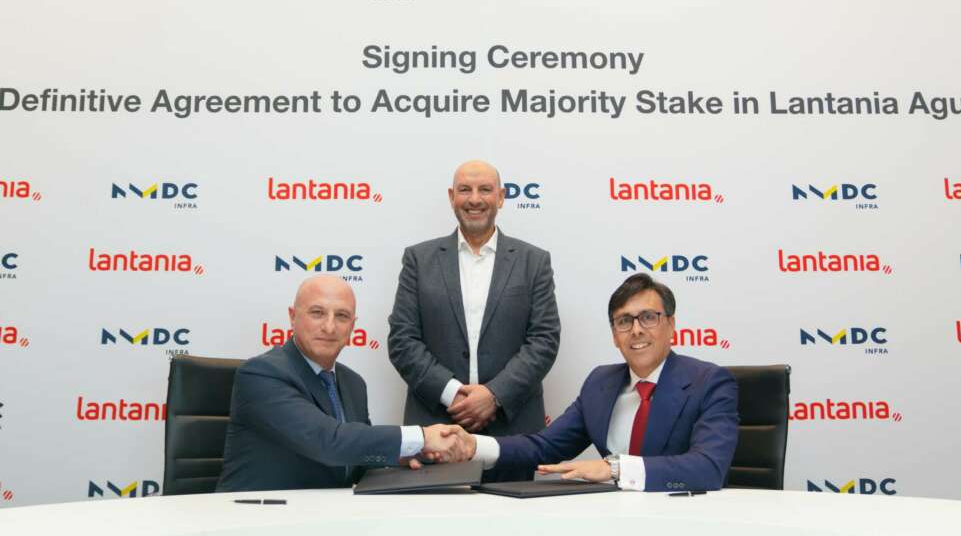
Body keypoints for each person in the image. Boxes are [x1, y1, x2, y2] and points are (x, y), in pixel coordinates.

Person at [461, 273, 738, 491]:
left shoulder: (709, 382)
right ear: (615, 336)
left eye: (648, 317)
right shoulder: (600, 383)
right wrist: (472, 445)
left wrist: (614, 468)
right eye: (624, 321)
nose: (637, 330)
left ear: (671, 325)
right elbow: (543, 447)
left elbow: (709, 468)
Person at [387, 159, 561, 481]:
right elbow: (402, 340)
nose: (475, 199)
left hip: (513, 432)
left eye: (485, 189)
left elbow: (544, 340)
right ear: (452, 197)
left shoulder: (534, 261)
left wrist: (494, 395)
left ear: (501, 197)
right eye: (465, 190)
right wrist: (453, 394)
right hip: (435, 430)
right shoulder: (418, 260)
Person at [216, 276, 469, 492]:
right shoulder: (261, 374)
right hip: (255, 516)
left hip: (326, 515)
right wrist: (421, 437)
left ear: (352, 327)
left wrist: (401, 456)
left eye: (342, 316)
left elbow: (354, 458)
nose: (329, 327)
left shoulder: (353, 383)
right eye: (317, 313)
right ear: (293, 317)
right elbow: (327, 441)